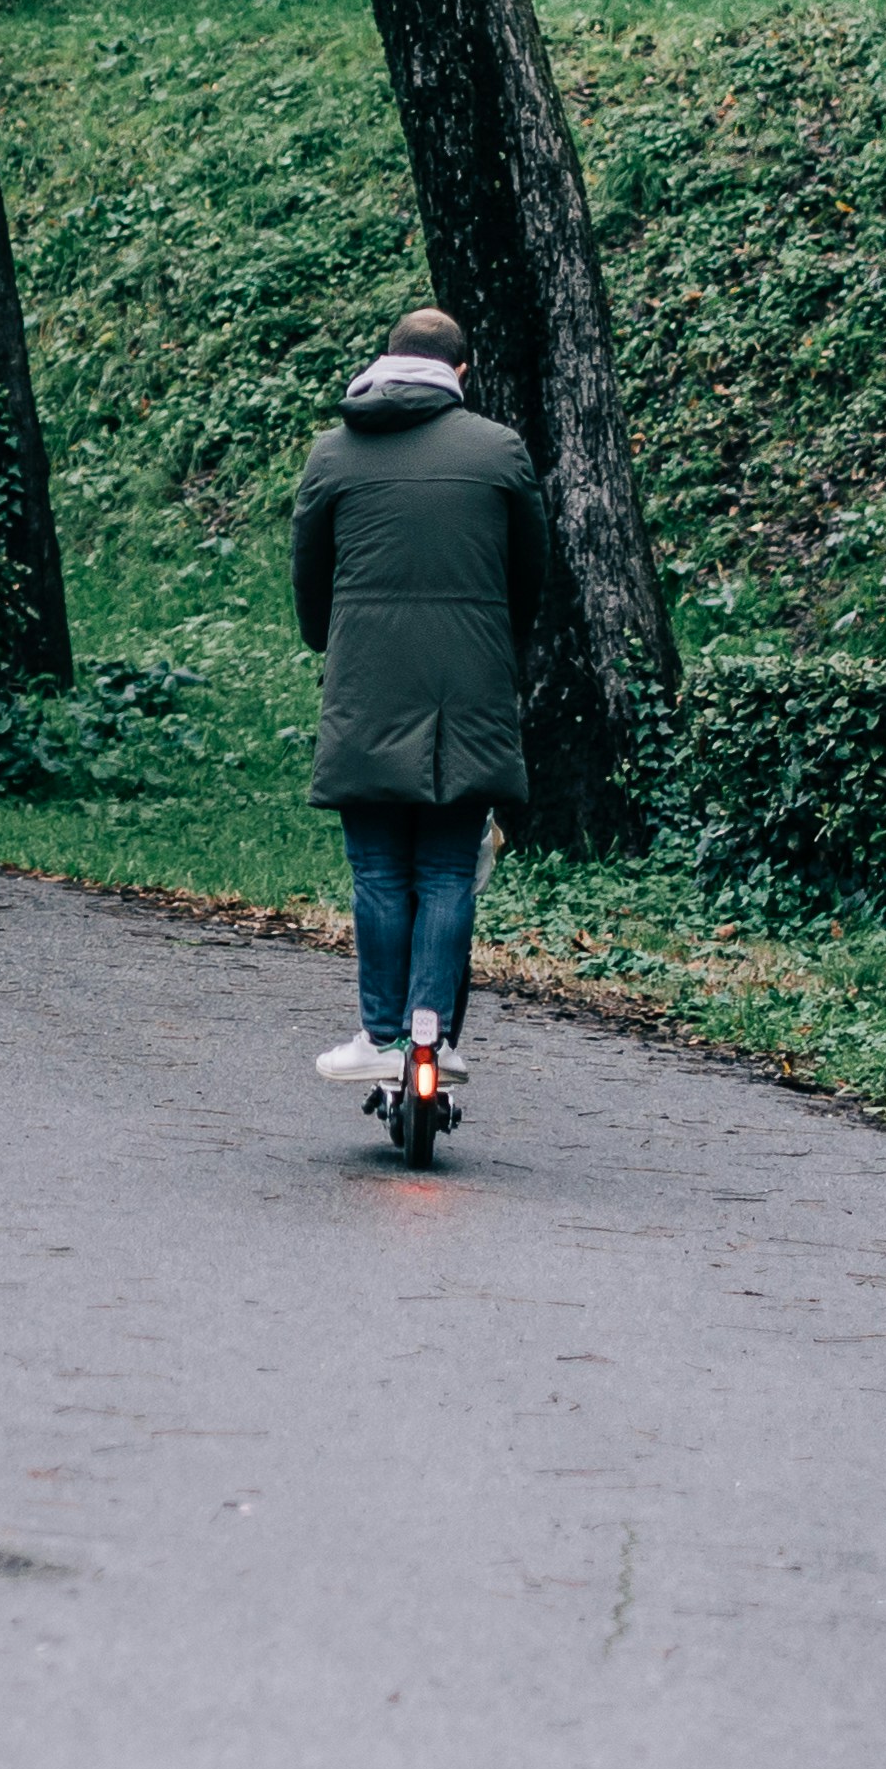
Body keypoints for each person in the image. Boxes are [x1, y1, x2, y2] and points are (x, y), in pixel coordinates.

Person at [291, 307, 558, 1151]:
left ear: (386, 361)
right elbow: (530, 581)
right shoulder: (499, 451)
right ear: (461, 374)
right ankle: (431, 1031)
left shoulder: (331, 454)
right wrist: (495, 647)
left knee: (377, 868)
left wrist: (333, 637)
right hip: (468, 698)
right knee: (446, 866)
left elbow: (310, 591)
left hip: (367, 688)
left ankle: (379, 1033)